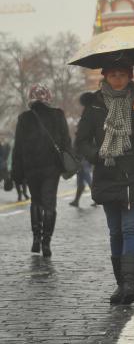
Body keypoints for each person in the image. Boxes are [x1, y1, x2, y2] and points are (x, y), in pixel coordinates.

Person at [75, 59, 134, 305]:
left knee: (130, 228)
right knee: (115, 232)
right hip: (107, 174)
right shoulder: (95, 106)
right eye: (113, 75)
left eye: (123, 74)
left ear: (130, 76)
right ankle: (120, 284)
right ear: (106, 77)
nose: (118, 79)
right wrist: (98, 154)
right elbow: (81, 141)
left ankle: (130, 284)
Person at [11, 84, 71, 257]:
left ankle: (36, 238)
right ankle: (46, 242)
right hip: (51, 168)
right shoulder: (58, 115)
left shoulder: (24, 118)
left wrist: (17, 173)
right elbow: (66, 142)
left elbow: (18, 148)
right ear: (48, 97)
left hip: (31, 168)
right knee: (50, 204)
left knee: (36, 202)